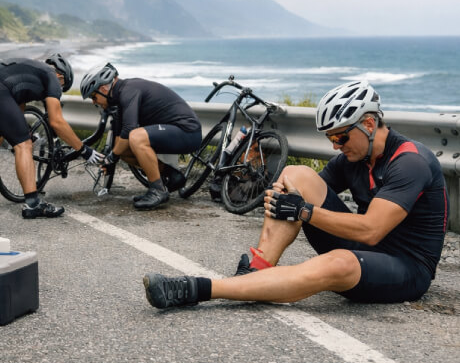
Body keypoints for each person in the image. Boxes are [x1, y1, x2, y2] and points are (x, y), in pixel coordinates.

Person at [142, 80, 449, 309]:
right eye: (330, 138)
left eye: (341, 137)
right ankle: (258, 270)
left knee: (337, 263)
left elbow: (371, 230)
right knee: (294, 176)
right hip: (365, 249)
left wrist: (303, 211)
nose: (335, 146)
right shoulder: (355, 157)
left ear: (369, 124)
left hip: (406, 267)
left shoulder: (410, 162)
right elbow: (301, 191)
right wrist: (283, 197)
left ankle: (199, 289)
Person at [0, 54, 103, 219]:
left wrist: (21, 130)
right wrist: (84, 150)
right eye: (62, 87)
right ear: (61, 76)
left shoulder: (30, 68)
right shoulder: (52, 76)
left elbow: (17, 105)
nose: (59, 90)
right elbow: (57, 122)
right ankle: (33, 204)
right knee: (24, 145)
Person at [80, 63, 202, 210]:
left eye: (93, 96)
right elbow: (119, 140)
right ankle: (172, 175)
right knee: (124, 151)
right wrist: (111, 159)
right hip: (173, 131)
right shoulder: (118, 97)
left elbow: (129, 129)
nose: (94, 102)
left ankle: (157, 190)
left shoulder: (129, 90)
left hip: (188, 132)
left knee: (136, 137)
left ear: (103, 89)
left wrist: (111, 158)